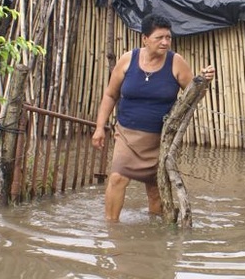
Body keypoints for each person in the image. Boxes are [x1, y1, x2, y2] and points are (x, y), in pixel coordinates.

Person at [91, 14, 215, 221]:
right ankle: (110, 229)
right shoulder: (127, 60)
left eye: (168, 37)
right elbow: (110, 95)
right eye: (159, 37)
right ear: (145, 39)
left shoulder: (176, 63)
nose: (165, 42)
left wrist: (203, 81)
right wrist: (99, 127)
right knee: (117, 178)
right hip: (127, 136)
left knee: (155, 189)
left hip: (161, 139)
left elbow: (194, 95)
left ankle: (155, 232)